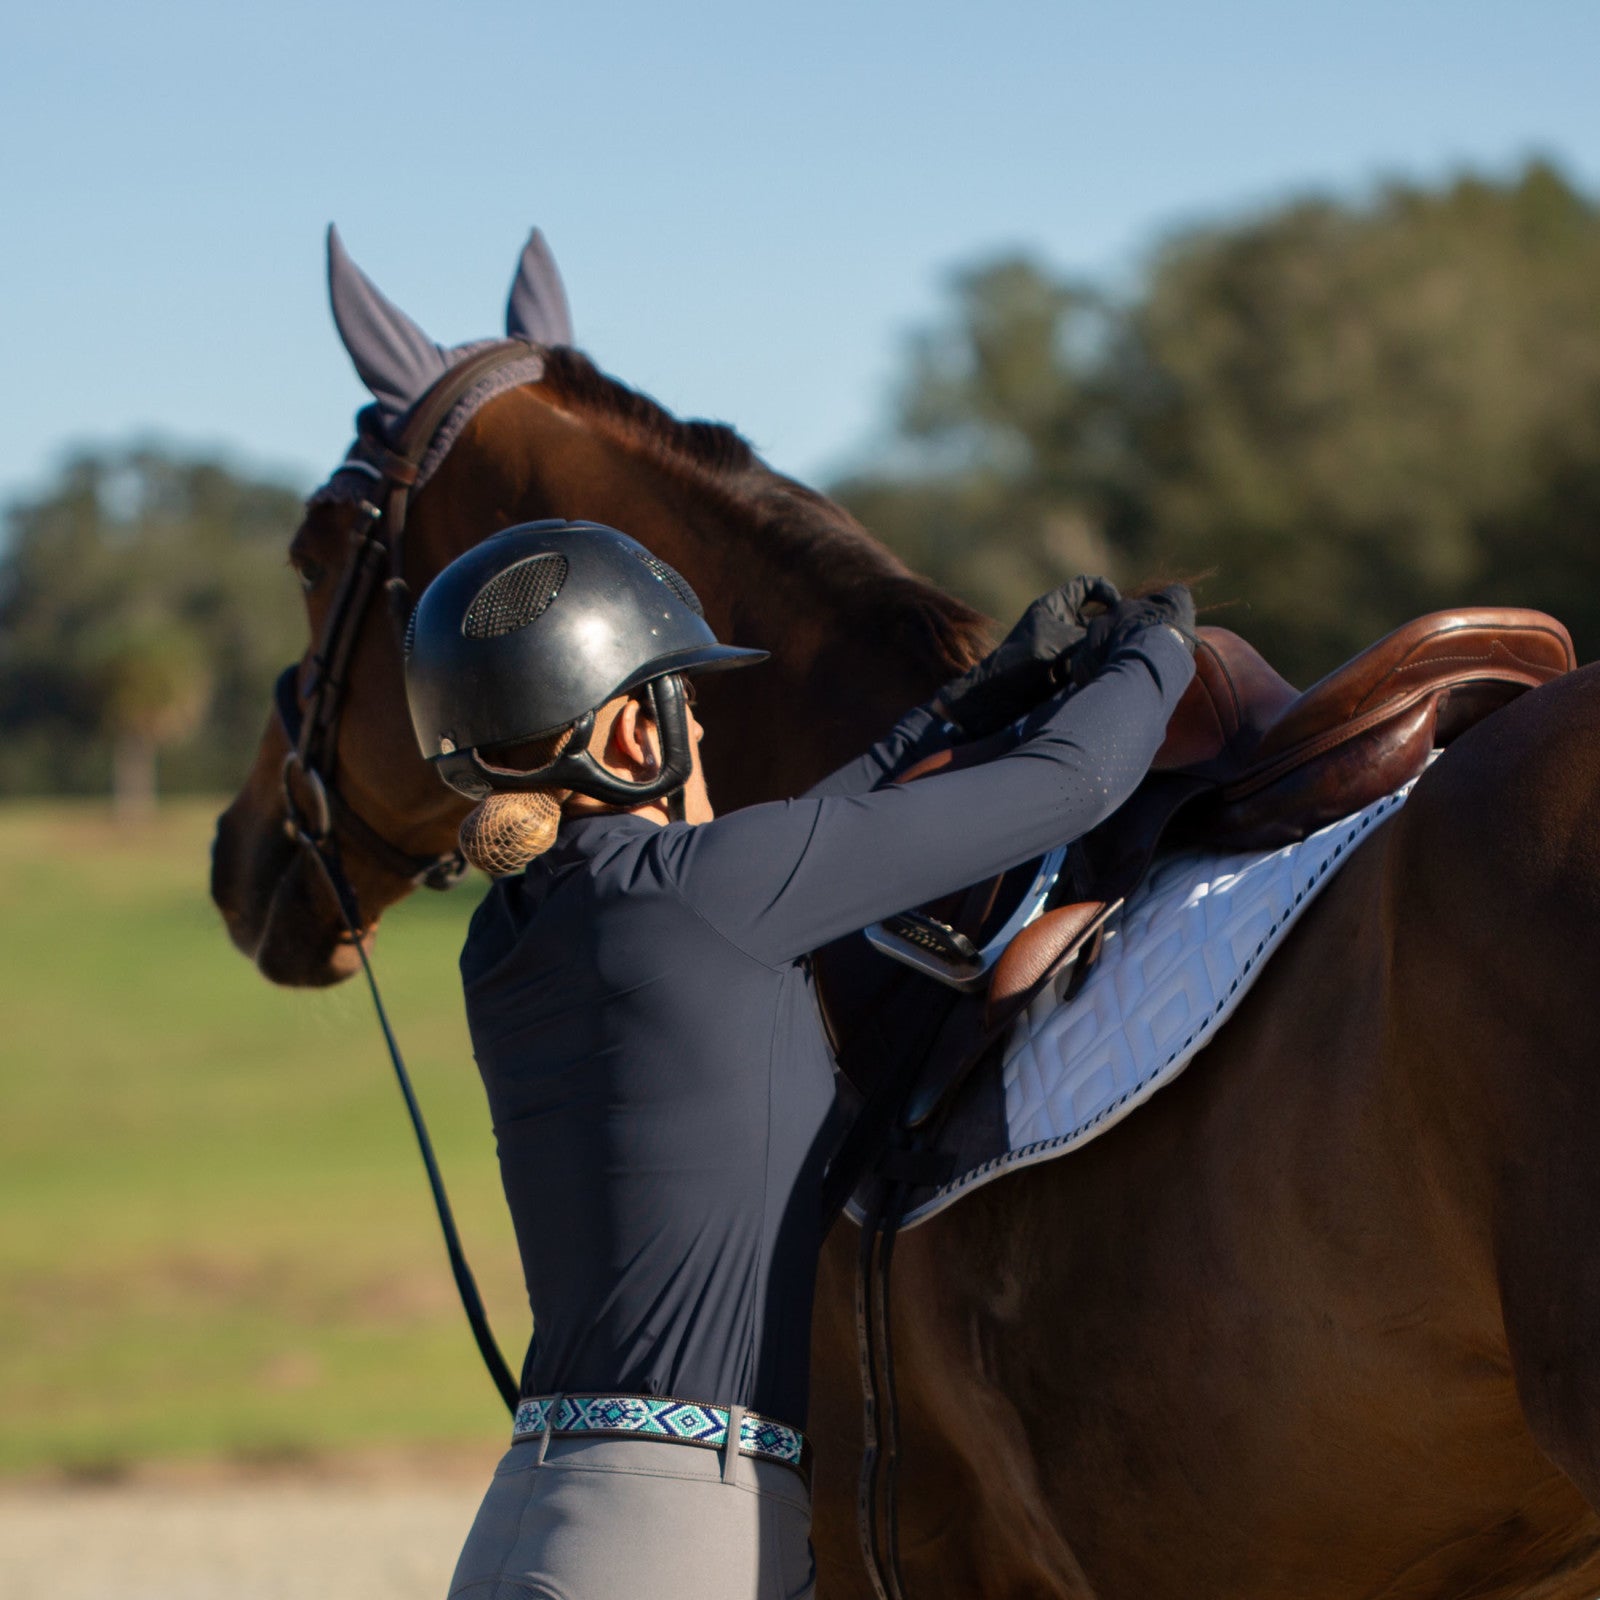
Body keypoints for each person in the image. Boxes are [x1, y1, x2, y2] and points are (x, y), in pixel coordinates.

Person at [403, 519, 1195, 1600]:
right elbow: (1075, 781)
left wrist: (971, 701)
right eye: (684, 700)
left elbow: (803, 835)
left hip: (530, 1520)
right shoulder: (706, 892)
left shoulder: (505, 940)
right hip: (678, 1536)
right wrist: (1161, 643)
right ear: (636, 734)